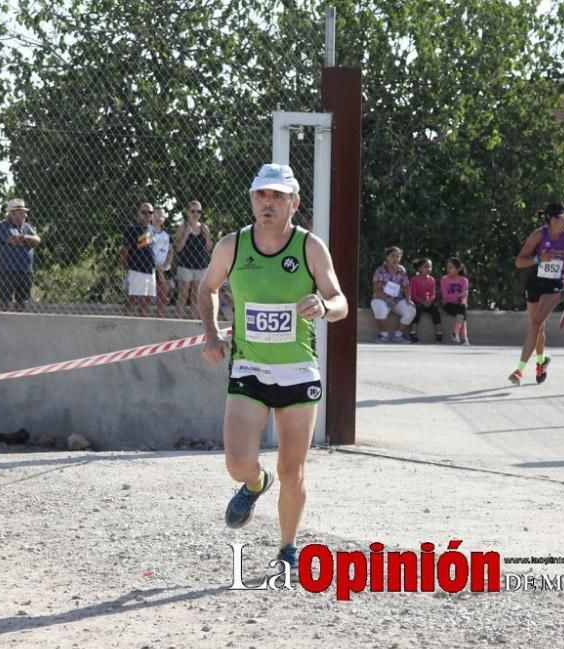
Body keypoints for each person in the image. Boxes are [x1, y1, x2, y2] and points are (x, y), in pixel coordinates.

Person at [198, 163, 348, 573]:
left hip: (298, 373)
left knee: (292, 468)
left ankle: (287, 548)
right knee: (237, 461)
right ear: (252, 200)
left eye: (277, 196)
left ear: (293, 203)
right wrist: (211, 333)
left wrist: (323, 306)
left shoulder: (309, 247)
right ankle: (253, 483)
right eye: (261, 195)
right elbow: (207, 288)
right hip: (250, 369)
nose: (268, 203)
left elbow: (340, 301)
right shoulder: (232, 246)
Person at [509, 203, 564, 386]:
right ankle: (541, 362)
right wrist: (537, 259)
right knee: (538, 328)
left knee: (535, 324)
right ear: (552, 219)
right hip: (535, 282)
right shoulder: (538, 235)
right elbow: (519, 262)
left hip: (555, 286)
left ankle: (519, 371)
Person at [0, 198, 40, 312]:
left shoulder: (27, 227)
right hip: (8, 270)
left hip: (25, 270)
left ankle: (19, 320)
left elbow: (37, 240)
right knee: (5, 300)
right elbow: (12, 240)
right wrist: (28, 241)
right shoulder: (3, 226)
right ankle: (1, 321)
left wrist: (24, 238)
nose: (25, 215)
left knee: (22, 300)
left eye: (25, 212)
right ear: (12, 213)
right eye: (21, 213)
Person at [174, 200, 212, 317]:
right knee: (183, 294)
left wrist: (207, 236)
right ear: (187, 212)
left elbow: (209, 248)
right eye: (193, 211)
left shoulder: (204, 227)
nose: (196, 214)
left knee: (196, 295)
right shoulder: (183, 227)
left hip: (200, 265)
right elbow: (178, 248)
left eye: (199, 211)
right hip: (186, 265)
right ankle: (179, 319)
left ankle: (195, 320)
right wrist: (186, 233)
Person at [370, 246, 415, 343]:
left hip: (397, 300)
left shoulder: (402, 270)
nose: (395, 259)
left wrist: (408, 299)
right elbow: (377, 290)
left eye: (398, 256)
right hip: (381, 299)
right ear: (387, 257)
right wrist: (388, 301)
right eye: (393, 256)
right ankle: (383, 335)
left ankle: (398, 336)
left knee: (411, 309)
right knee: (380, 309)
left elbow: (406, 286)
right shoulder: (380, 270)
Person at [121, 202, 156, 317]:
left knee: (147, 299)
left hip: (150, 269)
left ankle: (143, 321)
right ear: (138, 213)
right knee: (133, 298)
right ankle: (126, 322)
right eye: (144, 212)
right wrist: (127, 265)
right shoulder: (132, 229)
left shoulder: (151, 229)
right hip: (137, 268)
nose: (147, 215)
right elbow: (125, 250)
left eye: (150, 212)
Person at [408, 258, 441, 343]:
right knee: (417, 310)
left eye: (430, 267)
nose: (428, 269)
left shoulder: (432, 280)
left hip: (428, 302)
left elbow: (433, 294)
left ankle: (439, 333)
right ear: (419, 268)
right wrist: (422, 302)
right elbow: (413, 295)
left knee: (435, 311)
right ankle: (413, 333)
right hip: (418, 302)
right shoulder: (414, 279)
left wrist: (429, 301)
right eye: (426, 267)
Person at [440, 257, 470, 345]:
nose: (448, 270)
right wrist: (459, 295)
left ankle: (456, 333)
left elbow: (465, 296)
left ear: (458, 269)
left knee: (462, 308)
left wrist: (463, 302)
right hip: (448, 305)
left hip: (459, 305)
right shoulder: (444, 279)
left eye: (451, 267)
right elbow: (446, 297)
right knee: (462, 313)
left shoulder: (464, 280)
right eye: (447, 267)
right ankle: (464, 338)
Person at [151, 205, 173, 317]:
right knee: (146, 297)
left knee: (163, 297)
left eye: (162, 215)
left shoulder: (167, 234)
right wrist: (156, 266)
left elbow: (170, 251)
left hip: (165, 269)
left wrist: (165, 265)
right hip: (151, 268)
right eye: (156, 214)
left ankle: (160, 316)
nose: (159, 217)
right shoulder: (148, 232)